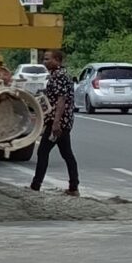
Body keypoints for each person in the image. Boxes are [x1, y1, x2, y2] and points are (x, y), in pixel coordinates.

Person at [30, 49, 81, 196]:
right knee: (67, 153)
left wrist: (56, 123)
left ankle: (35, 185)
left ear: (57, 60)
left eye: (47, 59)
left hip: (59, 122)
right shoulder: (58, 75)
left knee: (43, 151)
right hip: (61, 121)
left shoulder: (59, 76)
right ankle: (73, 187)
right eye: (44, 59)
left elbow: (61, 100)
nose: (44, 62)